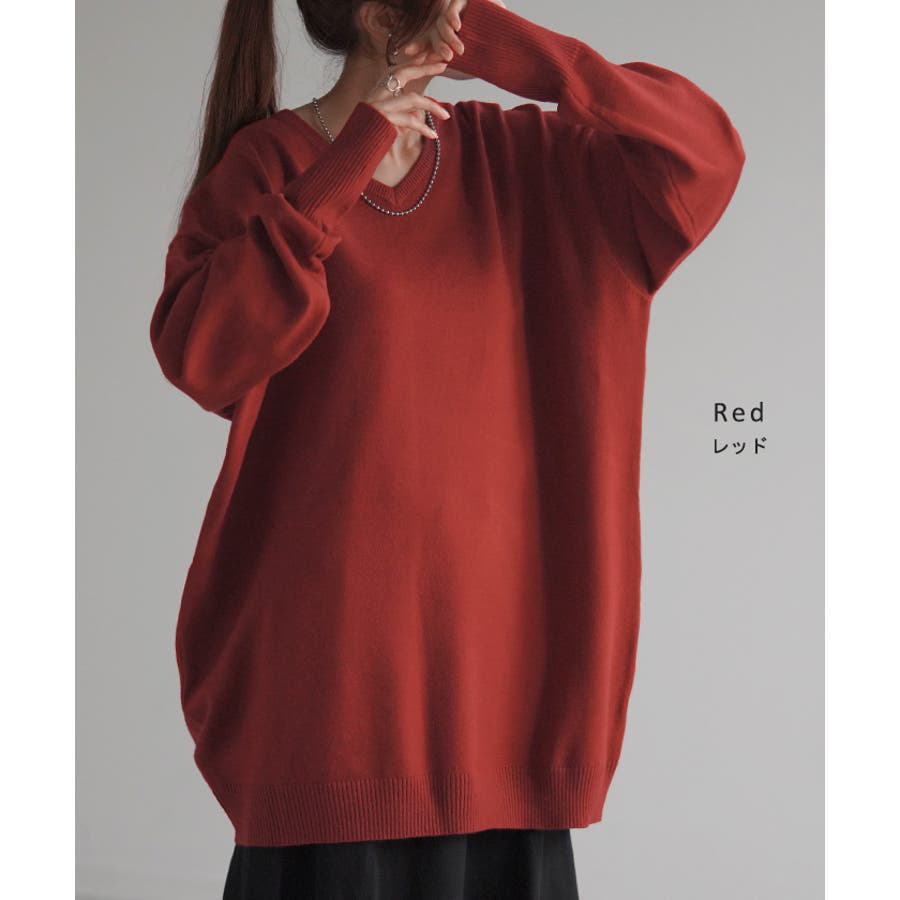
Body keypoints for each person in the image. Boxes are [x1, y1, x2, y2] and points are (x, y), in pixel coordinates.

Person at [149, 0, 745, 897]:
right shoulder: (270, 166)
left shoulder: (533, 162)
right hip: (332, 701)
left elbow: (705, 155)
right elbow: (203, 356)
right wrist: (339, 171)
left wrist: (527, 56)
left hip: (509, 696)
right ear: (379, 15)